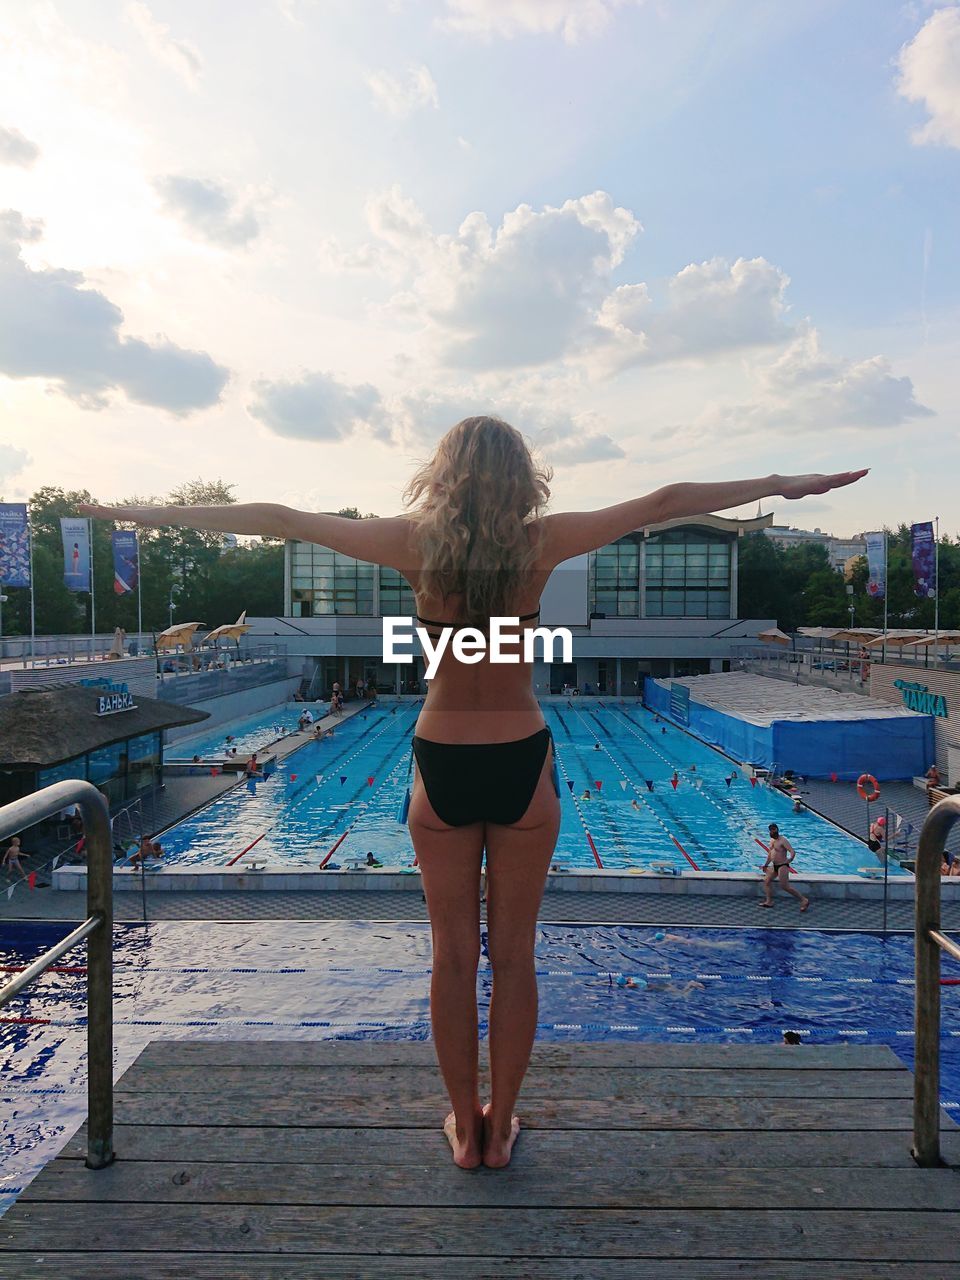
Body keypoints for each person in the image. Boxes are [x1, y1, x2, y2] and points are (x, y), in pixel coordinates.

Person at [81, 415, 865, 1169]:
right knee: (515, 960)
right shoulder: (543, 541)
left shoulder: (411, 543)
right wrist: (782, 483)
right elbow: (666, 501)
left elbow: (281, 515)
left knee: (452, 960)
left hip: (443, 756)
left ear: (444, 474)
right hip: (521, 755)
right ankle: (502, 1126)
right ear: (523, 476)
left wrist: (137, 511)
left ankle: (466, 1130)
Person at [760, 823, 810, 912]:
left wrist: (790, 860)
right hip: (774, 865)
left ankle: (804, 900)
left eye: (774, 830)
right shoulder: (772, 841)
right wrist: (766, 865)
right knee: (766, 881)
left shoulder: (783, 840)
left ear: (777, 830)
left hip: (782, 866)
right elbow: (770, 854)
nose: (772, 832)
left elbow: (792, 851)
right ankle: (769, 901)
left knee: (785, 886)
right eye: (771, 830)